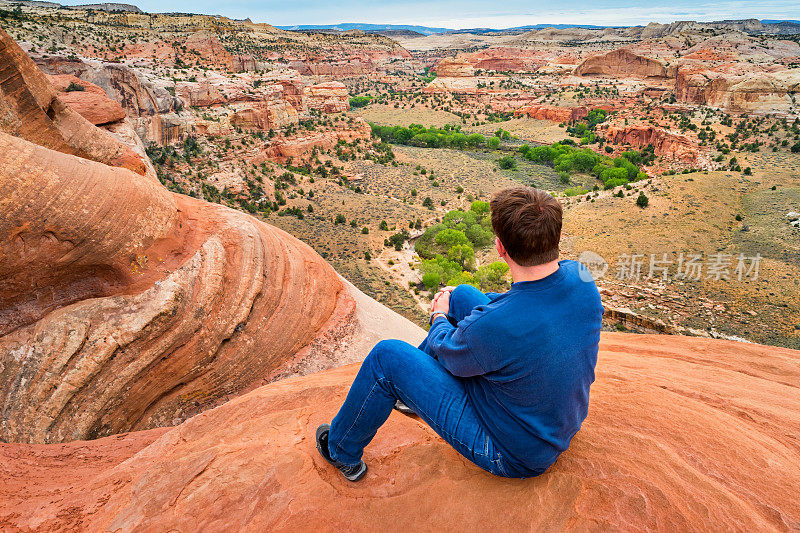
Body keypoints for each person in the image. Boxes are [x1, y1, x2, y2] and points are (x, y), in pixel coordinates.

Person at [316, 187, 604, 481]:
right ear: (554, 239)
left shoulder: (495, 327)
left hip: (511, 453)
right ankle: (410, 395)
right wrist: (458, 299)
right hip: (553, 423)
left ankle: (341, 451)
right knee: (464, 294)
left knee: (386, 357)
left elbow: (449, 350)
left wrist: (438, 315)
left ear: (500, 247)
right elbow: (524, 302)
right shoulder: (580, 277)